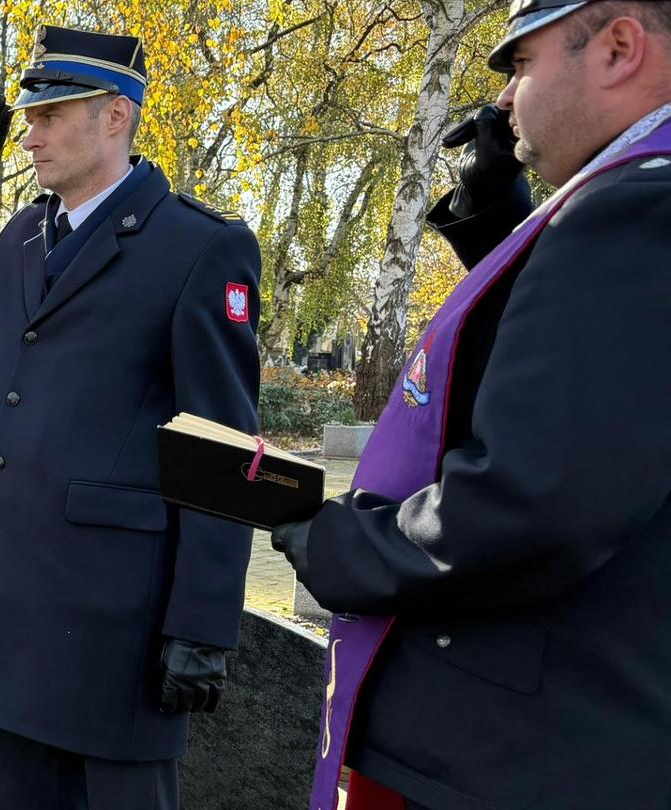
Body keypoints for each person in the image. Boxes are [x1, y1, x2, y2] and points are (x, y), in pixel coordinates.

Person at [270, 2, 671, 807]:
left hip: (514, 757)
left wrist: (348, 550)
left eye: (520, 66)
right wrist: (500, 216)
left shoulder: (636, 208)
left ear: (619, 47)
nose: (505, 102)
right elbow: (591, 379)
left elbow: (539, 502)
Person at [0, 25, 263, 809]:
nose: (32, 134)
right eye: (31, 116)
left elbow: (222, 444)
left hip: (116, 624)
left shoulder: (196, 246)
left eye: (53, 114)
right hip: (16, 611)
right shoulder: (21, 236)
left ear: (116, 116)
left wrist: (202, 626)